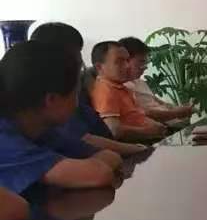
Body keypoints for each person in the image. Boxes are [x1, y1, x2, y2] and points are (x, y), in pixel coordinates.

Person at [0, 42, 120, 201]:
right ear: (51, 100)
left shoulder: (42, 131)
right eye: (76, 94)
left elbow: (111, 157)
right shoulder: (4, 140)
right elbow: (99, 174)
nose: (78, 104)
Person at [30, 23, 147, 157]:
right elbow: (84, 140)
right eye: (76, 53)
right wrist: (137, 149)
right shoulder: (55, 97)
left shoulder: (78, 87)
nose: (80, 60)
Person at [89, 42, 167, 142]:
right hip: (143, 144)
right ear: (99, 67)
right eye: (119, 62)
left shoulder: (119, 87)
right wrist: (148, 131)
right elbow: (114, 131)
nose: (127, 66)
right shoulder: (105, 91)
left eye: (127, 60)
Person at [118, 37, 193, 123]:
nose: (145, 67)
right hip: (160, 126)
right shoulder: (122, 88)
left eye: (145, 62)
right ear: (125, 60)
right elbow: (144, 114)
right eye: (141, 62)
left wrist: (178, 109)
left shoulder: (140, 82)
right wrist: (177, 113)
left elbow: (158, 102)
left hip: (172, 122)